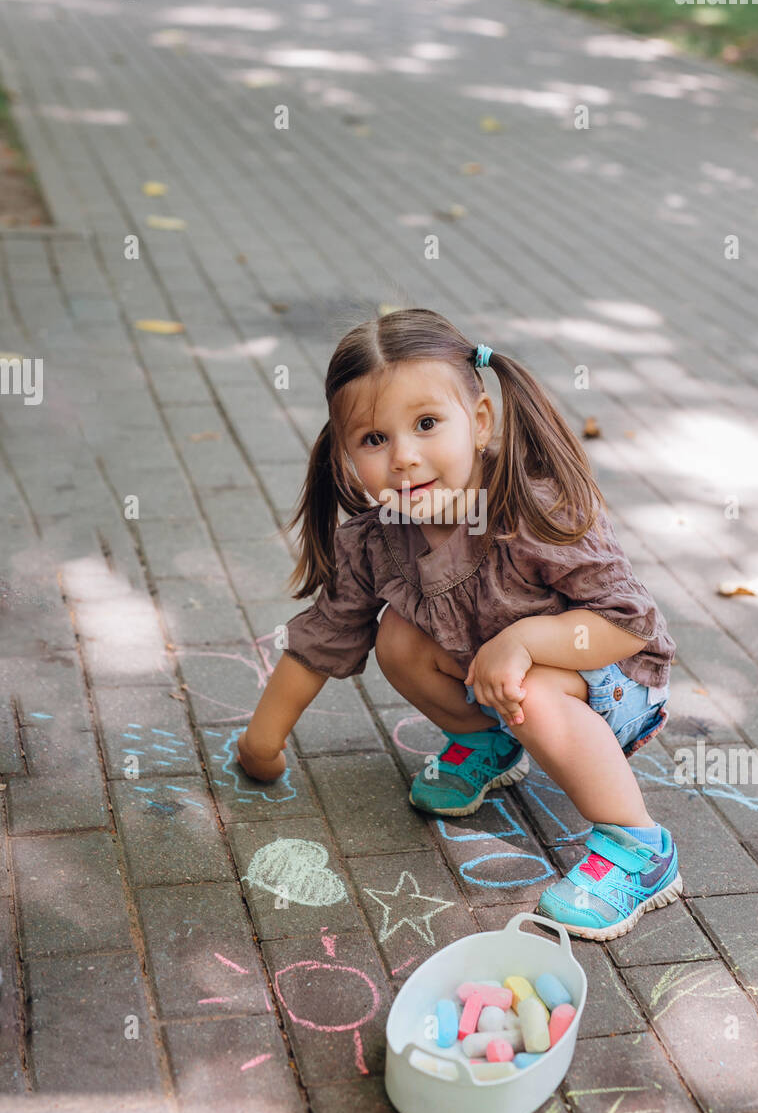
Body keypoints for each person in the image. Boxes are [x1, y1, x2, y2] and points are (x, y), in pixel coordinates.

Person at [237, 308, 682, 941]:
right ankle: (489, 742)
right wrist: (263, 743)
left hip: (616, 684)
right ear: (344, 451)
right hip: (508, 685)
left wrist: (522, 640)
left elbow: (628, 625)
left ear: (477, 423)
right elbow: (321, 641)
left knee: (531, 687)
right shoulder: (377, 541)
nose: (403, 458)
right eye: (373, 439)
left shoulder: (533, 506)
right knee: (397, 637)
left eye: (425, 425)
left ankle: (641, 852)